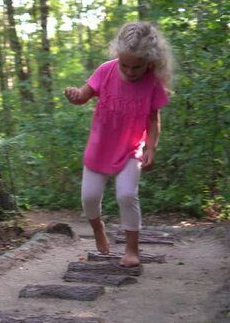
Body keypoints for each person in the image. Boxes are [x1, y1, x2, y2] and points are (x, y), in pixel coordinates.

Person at [64, 21, 174, 267]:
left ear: (150, 62)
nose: (130, 71)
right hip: (99, 148)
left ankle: (132, 249)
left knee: (127, 194)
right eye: (124, 65)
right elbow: (84, 95)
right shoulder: (105, 71)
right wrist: (75, 96)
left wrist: (151, 147)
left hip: (130, 150)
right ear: (117, 57)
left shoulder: (152, 83)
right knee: (89, 198)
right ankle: (98, 228)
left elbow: (153, 120)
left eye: (137, 66)